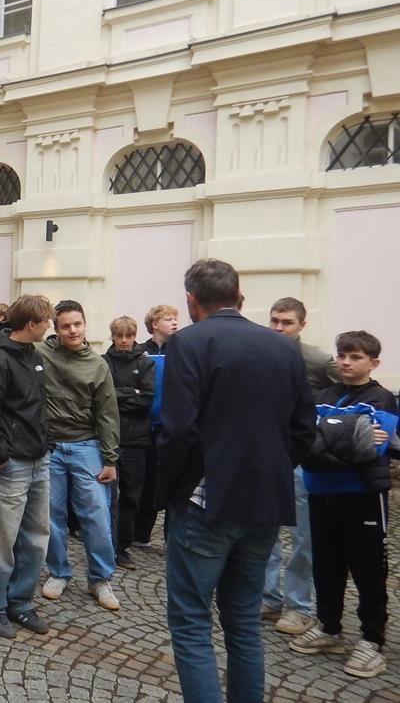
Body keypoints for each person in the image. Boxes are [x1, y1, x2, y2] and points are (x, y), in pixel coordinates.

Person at [156, 259, 315, 703]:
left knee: (191, 621)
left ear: (191, 300)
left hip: (206, 501)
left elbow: (178, 431)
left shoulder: (188, 342)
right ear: (238, 296)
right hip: (265, 499)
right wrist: (272, 471)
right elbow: (304, 429)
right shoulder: (283, 347)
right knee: (243, 620)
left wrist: (171, 490)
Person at [290, 331, 398, 679]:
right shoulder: (323, 395)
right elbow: (303, 441)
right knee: (326, 564)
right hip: (322, 493)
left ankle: (372, 639)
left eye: (355, 357)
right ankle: (329, 627)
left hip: (361, 496)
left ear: (373, 362)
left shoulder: (381, 398)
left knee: (369, 568)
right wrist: (346, 435)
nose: (345, 362)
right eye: (341, 356)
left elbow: (368, 450)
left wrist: (324, 439)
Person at [0, 295, 55, 639]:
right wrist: (1, 455)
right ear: (31, 324)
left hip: (38, 460)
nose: (49, 326)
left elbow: (38, 407)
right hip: (10, 465)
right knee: (0, 541)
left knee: (35, 538)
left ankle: (20, 601)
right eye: (46, 321)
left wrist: (46, 443)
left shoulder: (34, 356)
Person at [37, 301, 122, 612]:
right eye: (65, 326)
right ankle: (58, 572)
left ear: (85, 325)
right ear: (56, 329)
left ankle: (100, 578)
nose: (72, 330)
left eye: (77, 324)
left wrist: (110, 459)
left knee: (96, 515)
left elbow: (108, 414)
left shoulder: (98, 365)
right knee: (51, 515)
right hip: (51, 447)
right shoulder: (41, 354)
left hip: (87, 446)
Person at [262, 297, 340, 636]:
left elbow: (351, 388)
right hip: (267, 454)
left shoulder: (317, 359)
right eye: (274, 321)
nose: (279, 328)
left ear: (302, 325)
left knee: (302, 535)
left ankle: (299, 606)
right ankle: (268, 596)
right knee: (264, 532)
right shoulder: (262, 353)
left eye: (287, 322)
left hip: (302, 459)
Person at [102, 315, 155, 572]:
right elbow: (104, 397)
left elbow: (147, 398)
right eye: (119, 336)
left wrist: (119, 395)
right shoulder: (104, 362)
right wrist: (129, 392)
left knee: (131, 496)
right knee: (105, 496)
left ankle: (122, 545)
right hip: (109, 437)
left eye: (129, 336)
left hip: (136, 440)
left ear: (135, 336)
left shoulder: (145, 363)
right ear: (112, 336)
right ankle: (105, 543)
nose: (124, 341)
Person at [132, 303, 179, 547]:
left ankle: (173, 537)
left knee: (174, 483)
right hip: (145, 426)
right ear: (154, 324)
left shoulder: (181, 351)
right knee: (147, 482)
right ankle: (141, 534)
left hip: (173, 427)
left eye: (175, 318)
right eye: (169, 319)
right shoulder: (141, 352)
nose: (175, 322)